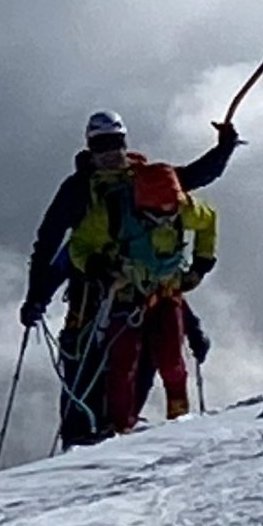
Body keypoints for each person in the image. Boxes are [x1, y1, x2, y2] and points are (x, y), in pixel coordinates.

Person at [20, 110, 239, 446]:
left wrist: (225, 147)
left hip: (139, 289)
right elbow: (51, 243)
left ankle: (117, 433)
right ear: (90, 147)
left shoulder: (147, 181)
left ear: (125, 143)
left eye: (116, 143)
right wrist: (37, 295)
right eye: (101, 145)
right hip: (93, 291)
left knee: (140, 363)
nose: (110, 152)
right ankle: (82, 439)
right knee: (85, 364)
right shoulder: (79, 190)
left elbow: (196, 177)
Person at [67, 159, 217, 434]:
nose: (165, 219)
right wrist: (101, 268)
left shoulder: (183, 208)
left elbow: (208, 221)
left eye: (170, 213)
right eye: (157, 215)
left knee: (172, 360)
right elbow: (79, 246)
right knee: (123, 365)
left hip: (165, 291)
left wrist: (201, 265)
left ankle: (179, 420)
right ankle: (119, 426)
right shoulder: (113, 211)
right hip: (125, 296)